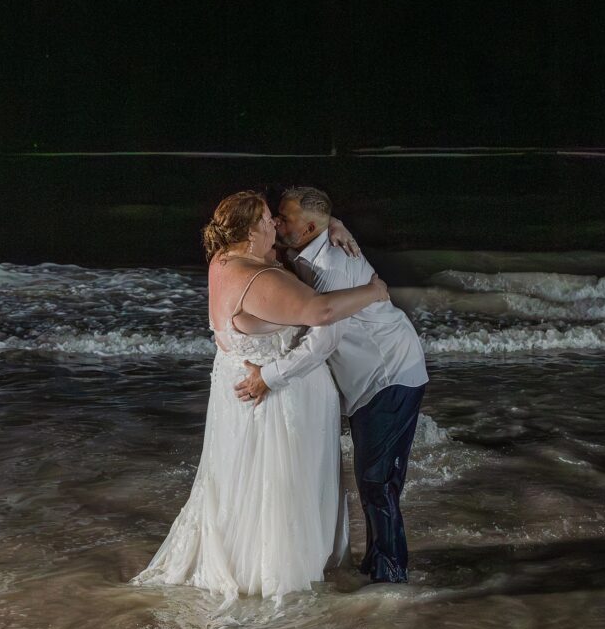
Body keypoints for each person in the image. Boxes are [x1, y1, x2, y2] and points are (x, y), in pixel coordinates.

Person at [130, 190, 388, 605]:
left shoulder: (224, 261)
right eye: (268, 219)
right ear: (251, 230)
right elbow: (321, 313)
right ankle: (278, 569)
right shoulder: (258, 278)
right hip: (278, 398)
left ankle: (248, 556)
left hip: (237, 392)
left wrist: (333, 224)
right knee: (276, 483)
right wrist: (374, 293)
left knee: (243, 481)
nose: (275, 224)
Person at [235, 186, 428, 584]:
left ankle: (391, 575)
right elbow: (312, 228)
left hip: (389, 374)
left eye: (283, 218)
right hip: (366, 380)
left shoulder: (332, 268)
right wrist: (337, 222)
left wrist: (268, 378)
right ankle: (378, 563)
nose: (275, 222)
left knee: (377, 481)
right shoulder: (304, 247)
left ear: (307, 228)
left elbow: (324, 340)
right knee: (370, 479)